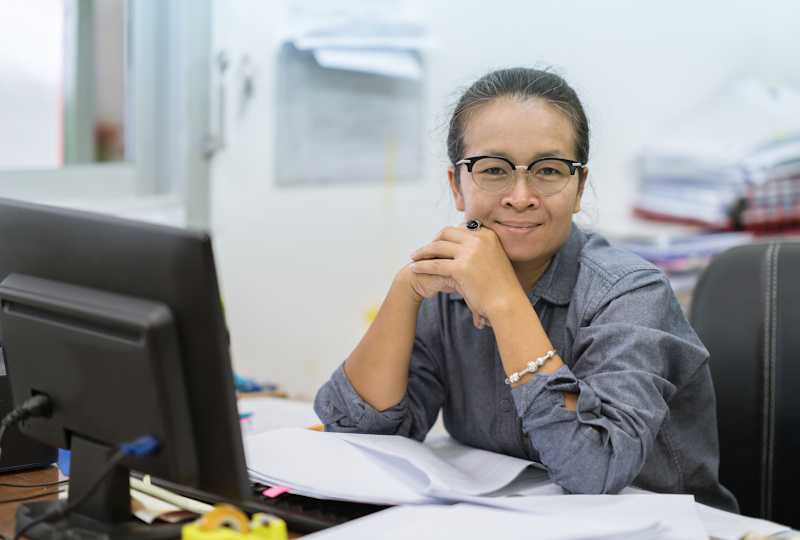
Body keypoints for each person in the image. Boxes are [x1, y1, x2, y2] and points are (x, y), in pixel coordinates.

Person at [313, 67, 738, 512]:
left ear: (579, 187)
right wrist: (406, 289)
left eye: (548, 170)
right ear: (457, 186)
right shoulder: (448, 288)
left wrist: (504, 302)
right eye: (494, 169)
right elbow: (358, 430)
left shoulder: (631, 293)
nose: (520, 196)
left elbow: (594, 469)